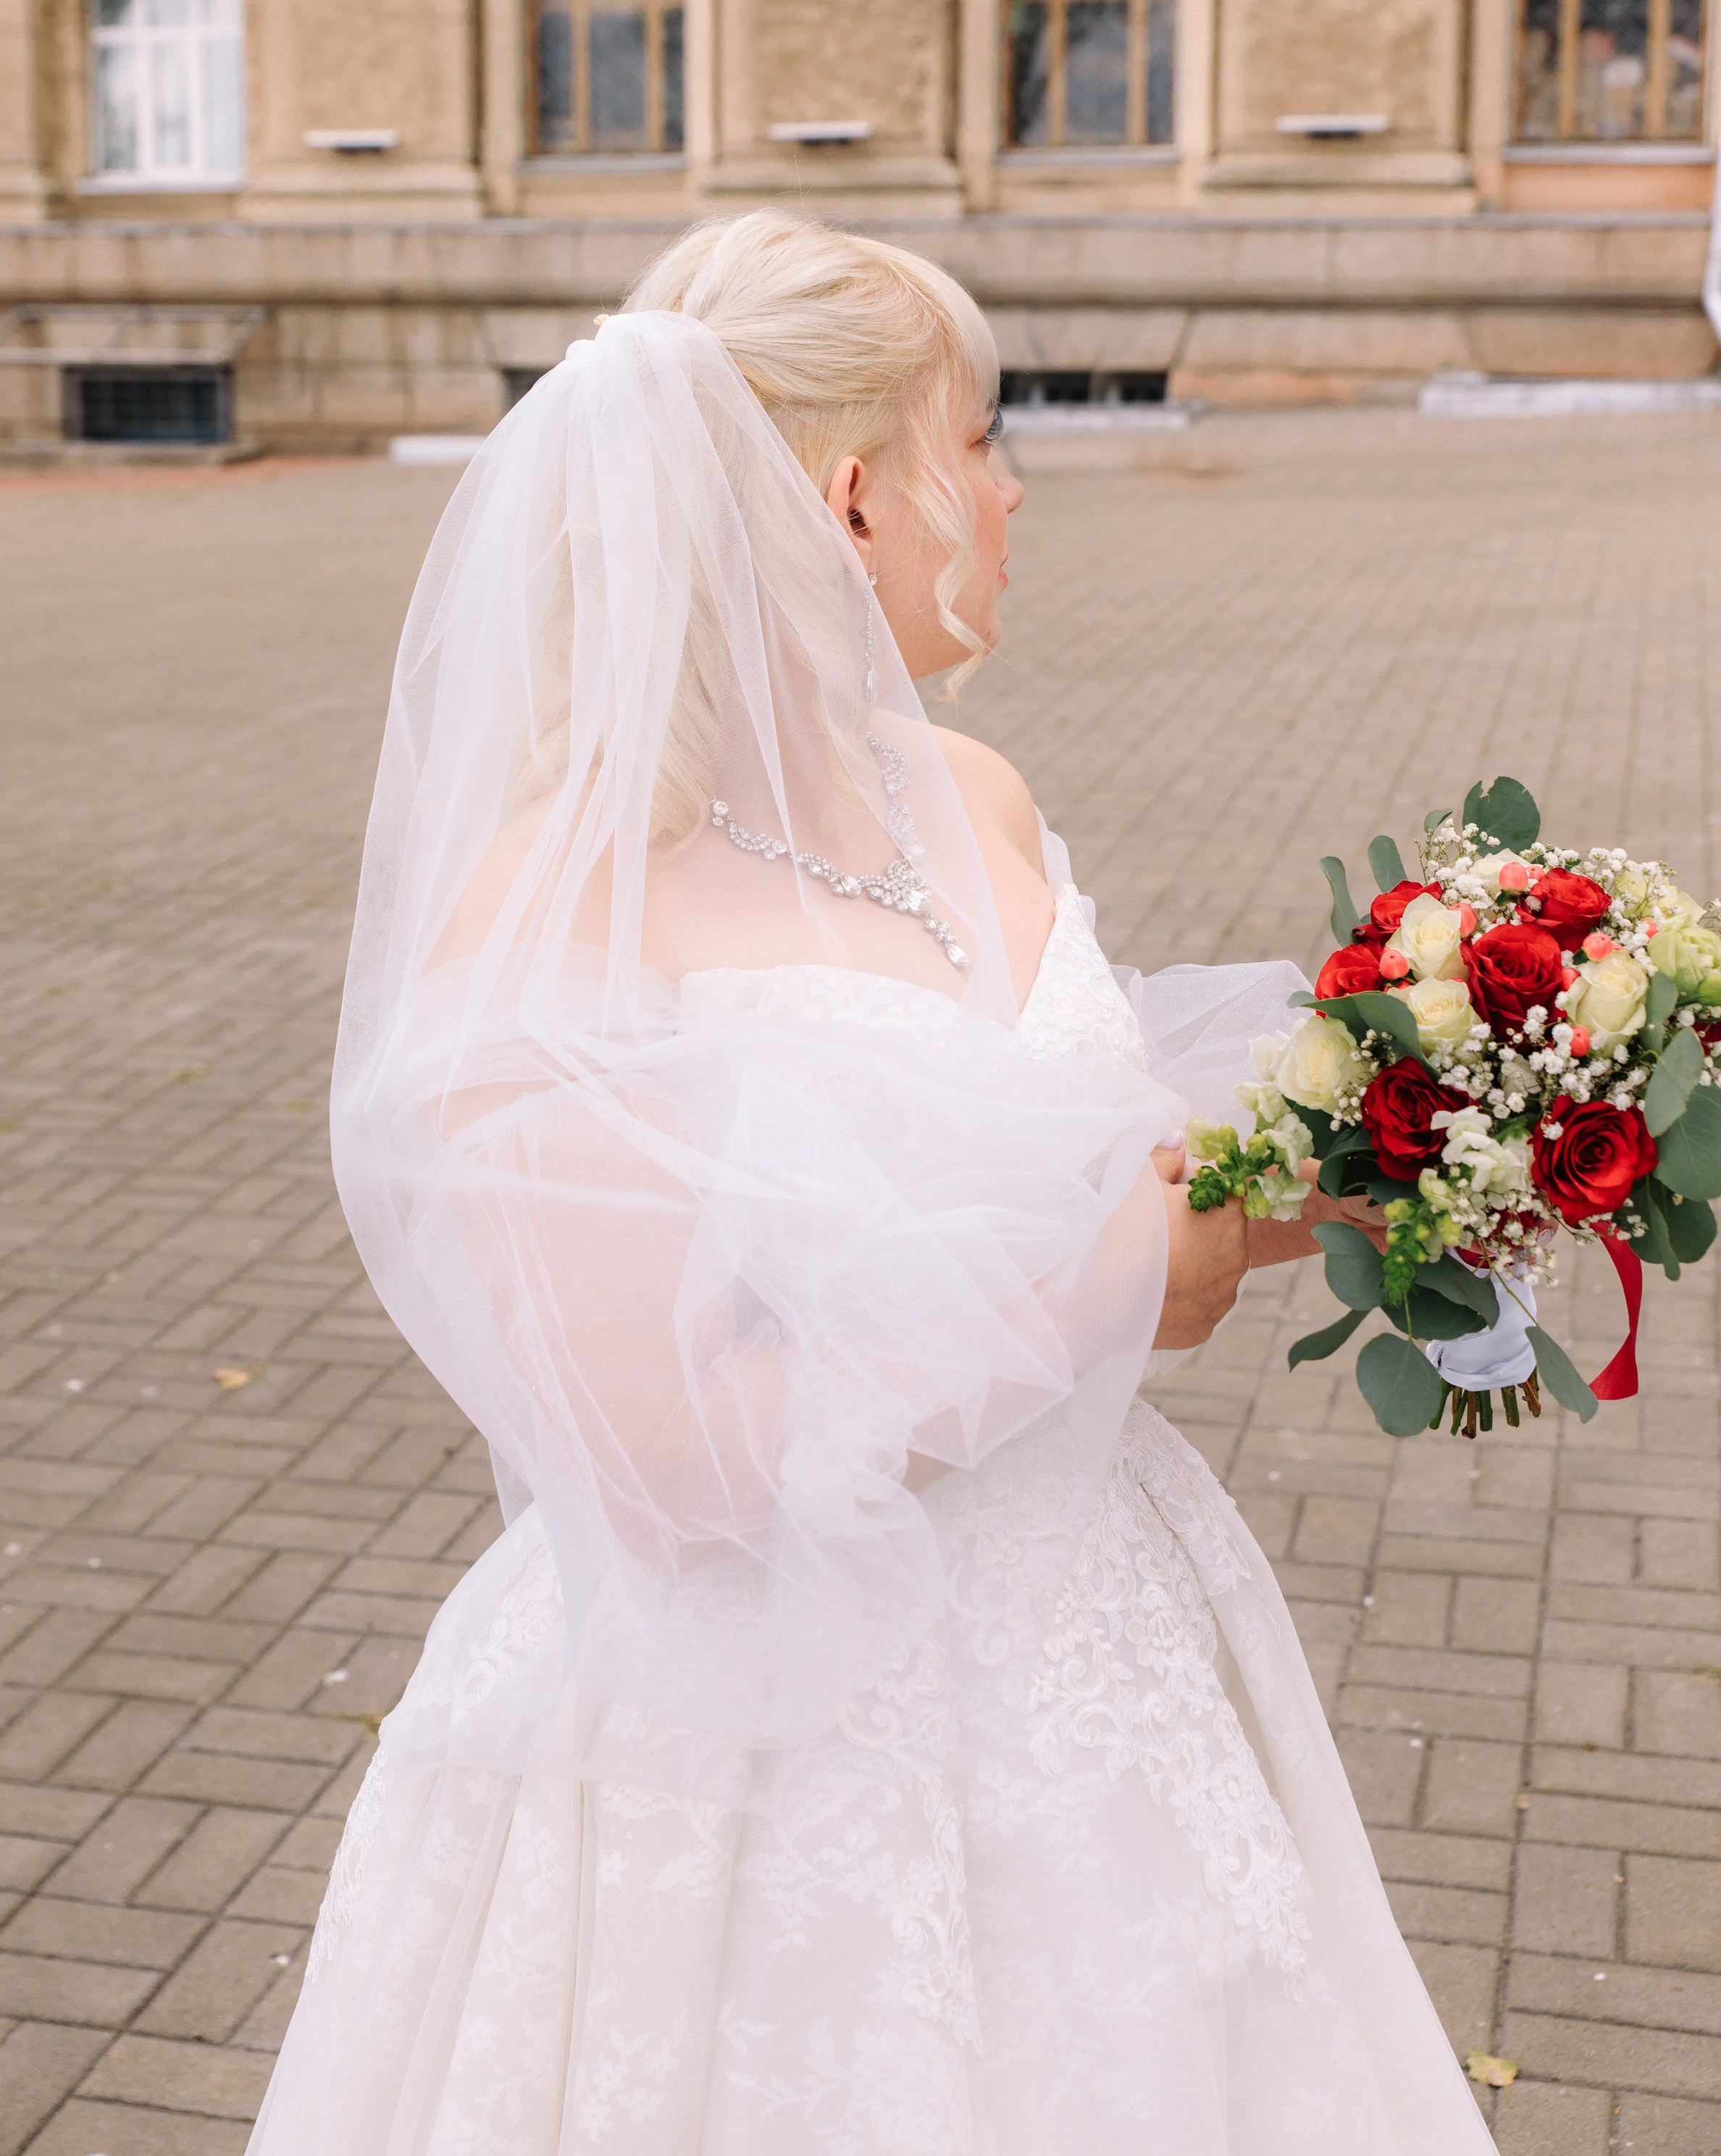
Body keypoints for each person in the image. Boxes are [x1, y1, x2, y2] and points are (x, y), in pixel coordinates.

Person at [248, 213, 1493, 2155]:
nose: (1008, 492)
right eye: (981, 439)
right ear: (850, 500)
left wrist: (1349, 1152)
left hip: (1092, 1657)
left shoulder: (973, 794)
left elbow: (1074, 1178)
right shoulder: (550, 906)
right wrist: (1127, 1261)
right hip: (755, 1748)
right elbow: (674, 1460)